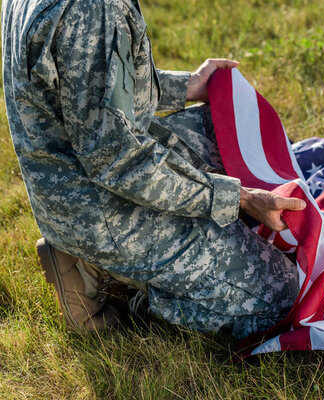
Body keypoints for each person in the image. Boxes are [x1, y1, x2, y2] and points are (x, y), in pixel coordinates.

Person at [1, 0, 305, 338]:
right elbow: (116, 159)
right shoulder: (91, 9)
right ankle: (114, 276)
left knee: (233, 137)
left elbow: (89, 87)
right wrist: (238, 198)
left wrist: (185, 86)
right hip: (106, 209)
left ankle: (102, 257)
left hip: (84, 185)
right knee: (282, 293)